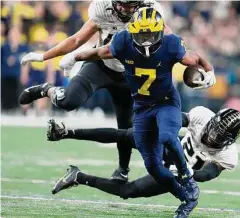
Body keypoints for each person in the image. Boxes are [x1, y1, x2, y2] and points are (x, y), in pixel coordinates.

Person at [53, 7, 215, 218]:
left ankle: (186, 177)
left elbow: (195, 58)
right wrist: (75, 57)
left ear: (160, 31)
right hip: (141, 107)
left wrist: (210, 71)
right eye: (142, 34)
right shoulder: (123, 41)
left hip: (166, 102)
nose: (147, 40)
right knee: (155, 168)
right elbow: (99, 52)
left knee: (167, 137)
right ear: (133, 31)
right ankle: (187, 199)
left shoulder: (172, 44)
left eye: (150, 34)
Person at [18, 0, 165, 182]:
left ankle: (122, 169)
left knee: (126, 127)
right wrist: (43, 56)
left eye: (130, 6)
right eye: (122, 4)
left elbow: (170, 42)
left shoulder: (149, 12)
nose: (125, 10)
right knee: (69, 101)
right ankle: (46, 89)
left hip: (130, 73)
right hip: (100, 66)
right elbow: (78, 39)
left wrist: (197, 68)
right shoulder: (102, 9)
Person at [49, 107, 240, 202]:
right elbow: (175, 119)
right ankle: (67, 133)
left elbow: (208, 174)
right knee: (125, 135)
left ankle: (78, 177)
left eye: (219, 135)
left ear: (230, 140)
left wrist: (184, 173)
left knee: (128, 191)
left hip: (176, 174)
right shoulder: (203, 115)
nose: (212, 135)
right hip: (169, 147)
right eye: (213, 128)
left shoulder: (229, 154)